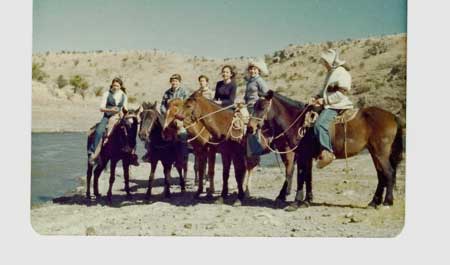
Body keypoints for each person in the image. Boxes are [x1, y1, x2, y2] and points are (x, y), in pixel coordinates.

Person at [309, 49, 353, 169]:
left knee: (320, 124)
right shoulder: (331, 72)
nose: (324, 65)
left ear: (331, 61)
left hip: (337, 105)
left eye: (325, 62)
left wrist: (324, 101)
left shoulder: (342, 73)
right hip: (329, 103)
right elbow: (325, 90)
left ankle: (327, 152)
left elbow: (341, 93)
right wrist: (316, 97)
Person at [88, 77, 139, 166]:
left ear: (120, 86)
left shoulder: (124, 95)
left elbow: (125, 108)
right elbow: (101, 108)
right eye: (114, 85)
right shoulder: (106, 94)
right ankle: (93, 154)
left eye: (117, 85)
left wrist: (129, 114)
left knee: (131, 129)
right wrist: (111, 110)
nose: (115, 87)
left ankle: (132, 153)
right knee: (99, 131)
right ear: (112, 85)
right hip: (107, 116)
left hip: (120, 116)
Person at [143, 74, 188, 162]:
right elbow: (163, 105)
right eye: (173, 81)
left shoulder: (184, 92)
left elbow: (186, 106)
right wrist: (165, 112)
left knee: (181, 131)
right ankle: (150, 151)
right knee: (154, 128)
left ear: (179, 82)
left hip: (179, 116)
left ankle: (183, 153)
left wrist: (177, 114)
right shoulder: (167, 92)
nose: (174, 82)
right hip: (167, 116)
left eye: (176, 81)